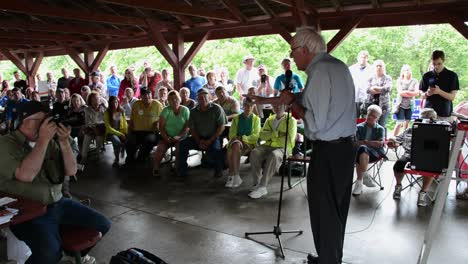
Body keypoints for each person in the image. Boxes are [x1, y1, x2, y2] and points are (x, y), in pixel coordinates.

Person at [245, 27, 356, 264]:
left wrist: (293, 104)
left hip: (328, 151)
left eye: (293, 50)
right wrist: (264, 100)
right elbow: (302, 98)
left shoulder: (319, 72)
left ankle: (328, 259)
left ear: (305, 50)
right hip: (344, 150)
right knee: (335, 210)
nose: (292, 55)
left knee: (323, 210)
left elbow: (314, 123)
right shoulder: (336, 66)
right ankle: (330, 256)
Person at [0, 100, 111, 263]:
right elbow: (25, 175)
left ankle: (72, 257)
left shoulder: (50, 141)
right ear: (23, 121)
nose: (46, 125)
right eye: (41, 121)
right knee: (50, 253)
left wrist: (64, 141)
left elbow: (72, 170)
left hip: (58, 203)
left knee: (102, 224)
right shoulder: (5, 144)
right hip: (29, 212)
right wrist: (43, 141)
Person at [388, 108, 440, 207]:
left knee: (431, 167)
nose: (423, 120)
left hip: (427, 156)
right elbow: (398, 138)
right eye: (422, 118)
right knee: (399, 164)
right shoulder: (411, 129)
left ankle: (423, 193)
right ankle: (398, 186)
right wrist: (393, 140)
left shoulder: (436, 132)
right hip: (409, 154)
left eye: (427, 119)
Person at [248, 104, 296, 198]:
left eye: (280, 106)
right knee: (254, 152)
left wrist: (270, 135)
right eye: (275, 106)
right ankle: (256, 183)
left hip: (283, 148)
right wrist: (278, 133)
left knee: (274, 155)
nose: (277, 108)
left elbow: (289, 139)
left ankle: (263, 187)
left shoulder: (291, 120)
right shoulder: (269, 119)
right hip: (268, 145)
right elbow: (262, 135)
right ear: (272, 108)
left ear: (284, 107)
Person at [178, 88, 227, 178]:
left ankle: (218, 170)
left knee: (217, 149)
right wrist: (198, 141)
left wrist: (209, 140)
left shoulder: (217, 109)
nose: (203, 99)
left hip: (213, 137)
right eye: (200, 98)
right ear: (197, 99)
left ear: (209, 98)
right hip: (198, 137)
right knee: (182, 144)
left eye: (205, 97)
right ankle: (182, 170)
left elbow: (221, 127)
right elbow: (192, 128)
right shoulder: (193, 111)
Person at [152, 90, 190, 177]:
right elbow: (161, 127)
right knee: (160, 149)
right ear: (168, 101)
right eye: (171, 99)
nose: (174, 101)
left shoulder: (185, 110)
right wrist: (166, 138)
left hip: (181, 137)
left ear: (179, 99)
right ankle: (156, 168)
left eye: (176, 98)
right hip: (166, 136)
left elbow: (187, 127)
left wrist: (178, 137)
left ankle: (177, 167)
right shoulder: (166, 110)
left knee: (179, 149)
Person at [225, 98, 260, 188]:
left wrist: (242, 138)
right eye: (246, 105)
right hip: (237, 143)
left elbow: (256, 136)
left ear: (253, 107)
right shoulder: (236, 118)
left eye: (251, 106)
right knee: (233, 147)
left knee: (231, 150)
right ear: (243, 106)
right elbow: (231, 134)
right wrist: (239, 139)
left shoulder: (256, 119)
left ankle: (232, 175)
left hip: (250, 144)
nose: (248, 108)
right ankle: (235, 175)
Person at [352, 105, 386, 196]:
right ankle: (364, 177)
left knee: (361, 148)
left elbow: (379, 144)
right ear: (366, 114)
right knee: (361, 150)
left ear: (378, 118)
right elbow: (354, 142)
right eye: (370, 114)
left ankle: (360, 182)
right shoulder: (358, 127)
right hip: (361, 153)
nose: (371, 117)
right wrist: (370, 143)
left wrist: (364, 142)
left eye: (374, 116)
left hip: (375, 153)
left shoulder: (380, 129)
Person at [125, 87, 163, 166]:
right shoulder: (136, 104)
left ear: (151, 94)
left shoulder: (157, 104)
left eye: (148, 94)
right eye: (144, 95)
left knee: (149, 140)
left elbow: (163, 119)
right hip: (137, 131)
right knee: (129, 141)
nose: (147, 96)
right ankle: (130, 159)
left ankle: (141, 158)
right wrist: (129, 131)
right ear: (141, 96)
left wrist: (158, 124)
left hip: (152, 132)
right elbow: (132, 119)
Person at [420, 50, 459, 122]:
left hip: (444, 114)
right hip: (428, 114)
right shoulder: (427, 75)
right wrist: (427, 93)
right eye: (434, 64)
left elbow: (452, 97)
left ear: (443, 61)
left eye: (439, 64)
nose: (436, 66)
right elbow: (422, 95)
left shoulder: (452, 76)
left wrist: (439, 92)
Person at [393, 64, 420, 136]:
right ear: (402, 71)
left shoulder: (415, 81)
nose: (407, 71)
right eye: (405, 70)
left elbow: (417, 93)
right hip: (401, 105)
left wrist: (407, 92)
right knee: (399, 123)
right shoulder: (399, 81)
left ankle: (403, 138)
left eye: (408, 69)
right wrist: (411, 93)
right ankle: (393, 139)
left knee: (407, 123)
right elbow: (400, 92)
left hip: (410, 105)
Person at [366, 59, 392, 130]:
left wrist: (374, 87)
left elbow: (387, 89)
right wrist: (381, 90)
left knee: (382, 125)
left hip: (383, 105)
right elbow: (368, 90)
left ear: (383, 67)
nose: (378, 67)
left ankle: (382, 140)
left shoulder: (387, 78)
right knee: (371, 125)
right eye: (377, 66)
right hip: (372, 104)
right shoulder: (370, 78)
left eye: (380, 66)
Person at [81, 92, 106, 164]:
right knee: (87, 137)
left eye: (97, 98)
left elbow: (106, 120)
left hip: (101, 127)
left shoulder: (103, 108)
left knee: (99, 138)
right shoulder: (87, 109)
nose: (96, 101)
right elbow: (88, 122)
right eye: (94, 99)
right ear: (90, 101)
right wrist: (94, 128)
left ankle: (97, 154)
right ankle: (84, 156)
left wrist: (99, 128)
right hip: (91, 127)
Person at [104, 96, 128, 167]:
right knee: (116, 141)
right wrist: (120, 134)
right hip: (111, 133)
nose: (115, 104)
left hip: (121, 132)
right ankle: (116, 159)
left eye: (116, 102)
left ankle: (129, 159)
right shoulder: (107, 113)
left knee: (130, 139)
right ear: (110, 104)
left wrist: (126, 133)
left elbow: (125, 123)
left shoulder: (121, 111)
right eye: (113, 103)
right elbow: (108, 128)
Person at [349, 51, 372, 117]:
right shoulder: (351, 69)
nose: (363, 59)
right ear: (357, 58)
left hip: (366, 98)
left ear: (367, 59)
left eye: (365, 57)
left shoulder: (371, 69)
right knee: (354, 118)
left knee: (366, 118)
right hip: (354, 97)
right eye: (361, 57)